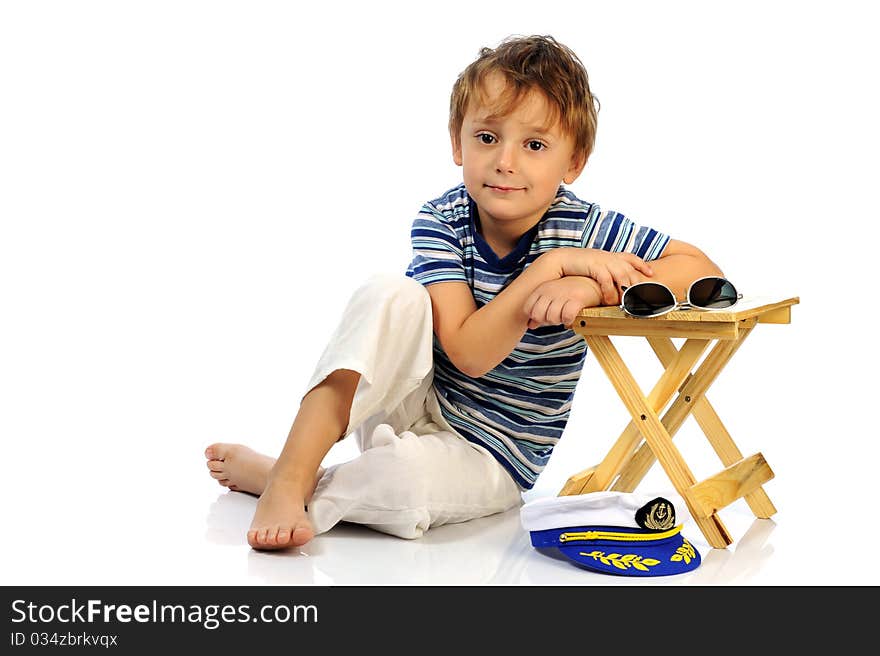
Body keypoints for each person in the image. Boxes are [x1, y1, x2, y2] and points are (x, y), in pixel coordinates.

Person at [205, 34, 724, 550]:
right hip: (416, 398)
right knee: (391, 292)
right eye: (487, 137)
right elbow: (469, 353)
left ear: (574, 163)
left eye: (535, 145)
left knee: (403, 483)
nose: (506, 161)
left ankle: (285, 478)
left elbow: (700, 268)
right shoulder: (443, 219)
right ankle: (292, 475)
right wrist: (550, 268)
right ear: (457, 142)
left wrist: (590, 285)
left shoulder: (585, 229)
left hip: (493, 454)